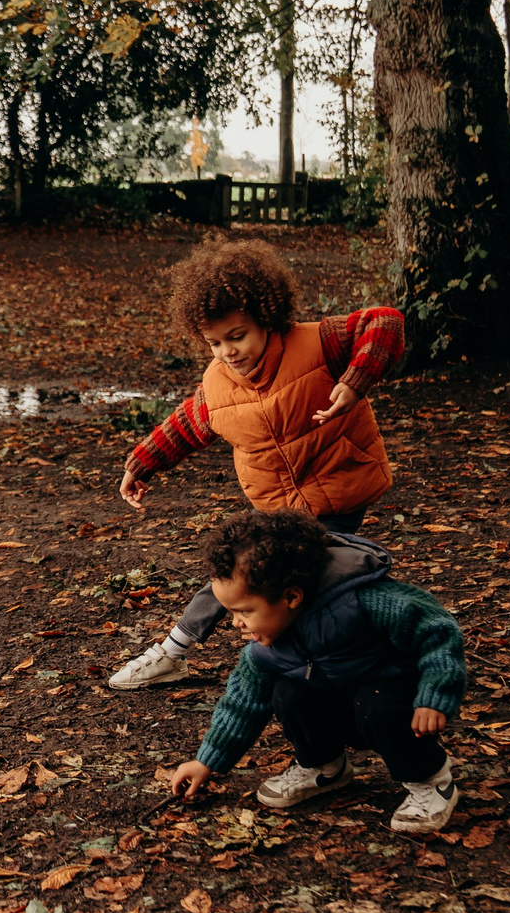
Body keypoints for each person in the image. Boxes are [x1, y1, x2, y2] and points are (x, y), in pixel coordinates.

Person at [109, 239, 404, 690]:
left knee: (302, 578)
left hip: (339, 485)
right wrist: (140, 463)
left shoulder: (317, 342)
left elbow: (385, 321)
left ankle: (372, 659)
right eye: (214, 342)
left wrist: (355, 380)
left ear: (266, 317)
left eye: (237, 335)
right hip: (277, 503)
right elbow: (186, 425)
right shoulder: (219, 384)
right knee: (254, 573)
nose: (227, 351)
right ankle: (177, 652)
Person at [167, 511, 463, 835]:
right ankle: (324, 767)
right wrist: (206, 761)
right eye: (232, 612)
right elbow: (241, 704)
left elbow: (438, 630)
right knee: (288, 694)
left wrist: (434, 695)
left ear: (291, 597)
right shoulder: (264, 651)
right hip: (339, 701)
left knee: (377, 703)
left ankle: (431, 780)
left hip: (397, 701)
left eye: (245, 611)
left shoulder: (363, 601)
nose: (236, 622)